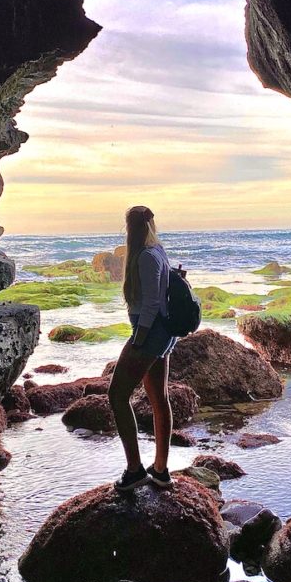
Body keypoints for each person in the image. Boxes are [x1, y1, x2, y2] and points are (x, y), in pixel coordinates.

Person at [109, 206, 179, 493]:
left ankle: (135, 469)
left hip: (150, 334)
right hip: (162, 334)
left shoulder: (147, 257)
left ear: (130, 228)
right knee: (158, 399)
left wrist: (138, 339)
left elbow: (150, 304)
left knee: (117, 395)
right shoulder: (157, 251)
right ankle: (160, 471)